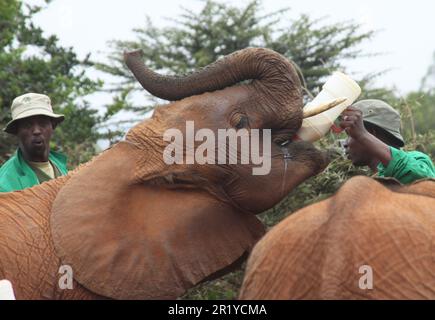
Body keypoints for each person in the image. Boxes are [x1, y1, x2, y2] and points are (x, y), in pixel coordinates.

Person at [340, 99, 435, 184]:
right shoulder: (370, 183)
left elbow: (421, 177)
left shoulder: (418, 159)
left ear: (372, 134)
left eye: (350, 135)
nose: (345, 143)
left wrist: (363, 135)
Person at [0, 93, 68, 192]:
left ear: (52, 126)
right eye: (27, 125)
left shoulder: (60, 165)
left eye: (42, 123)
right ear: (16, 131)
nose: (36, 131)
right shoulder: (5, 181)